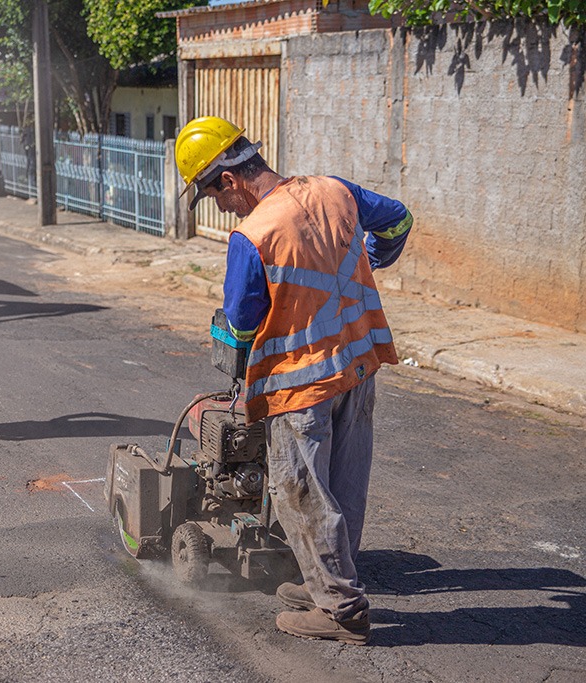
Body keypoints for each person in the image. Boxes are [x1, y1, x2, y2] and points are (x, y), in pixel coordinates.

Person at [175, 116, 413, 645]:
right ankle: (327, 580)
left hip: (300, 384)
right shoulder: (336, 192)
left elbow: (239, 326)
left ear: (229, 180)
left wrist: (235, 358)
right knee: (346, 482)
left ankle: (341, 610)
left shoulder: (253, 235)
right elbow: (398, 220)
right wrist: (370, 264)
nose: (219, 207)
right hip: (358, 364)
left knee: (301, 491)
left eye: (213, 194)